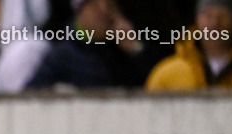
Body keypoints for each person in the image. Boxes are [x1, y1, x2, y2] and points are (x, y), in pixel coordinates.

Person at [28, 0, 166, 88]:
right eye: (97, 7)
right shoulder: (63, 55)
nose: (107, 16)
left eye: (112, 8)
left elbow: (151, 84)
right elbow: (31, 96)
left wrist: (136, 49)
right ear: (83, 10)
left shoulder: (121, 52)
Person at [146, 0, 232, 89]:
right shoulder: (168, 73)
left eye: (223, 16)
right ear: (197, 19)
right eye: (208, 15)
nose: (214, 23)